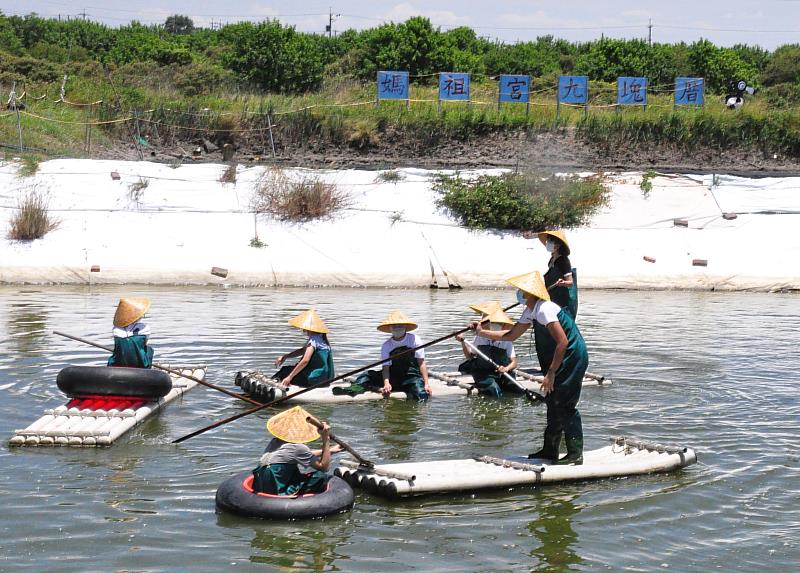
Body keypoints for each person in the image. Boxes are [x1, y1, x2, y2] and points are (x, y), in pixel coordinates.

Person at [475, 271, 588, 465]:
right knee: (553, 402)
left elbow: (562, 342)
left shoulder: (544, 309)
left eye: (523, 291)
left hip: (572, 356)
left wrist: (551, 373)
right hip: (561, 357)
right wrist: (481, 331)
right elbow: (511, 335)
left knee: (565, 404)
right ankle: (549, 450)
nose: (520, 293)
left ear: (532, 293)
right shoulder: (530, 310)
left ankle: (576, 454)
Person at [332, 310, 431, 401]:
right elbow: (386, 368)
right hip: (393, 376)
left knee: (420, 393)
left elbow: (421, 363)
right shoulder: (386, 346)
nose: (397, 328)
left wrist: (426, 384)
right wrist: (386, 383)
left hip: (411, 377)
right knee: (367, 375)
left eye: (400, 326)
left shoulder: (414, 340)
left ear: (405, 327)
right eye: (394, 326)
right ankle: (353, 390)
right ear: (390, 328)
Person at [252, 406, 342, 495]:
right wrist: (326, 439)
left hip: (261, 485)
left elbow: (305, 454)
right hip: (277, 490)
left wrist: (331, 451)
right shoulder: (298, 447)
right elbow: (324, 467)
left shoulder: (275, 441)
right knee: (320, 476)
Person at [456, 303, 519, 398]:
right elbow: (470, 356)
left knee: (515, 388)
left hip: (503, 371)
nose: (495, 325)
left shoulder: (506, 338)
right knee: (494, 389)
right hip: (484, 372)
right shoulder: (480, 338)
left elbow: (514, 362)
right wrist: (462, 342)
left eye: (498, 323)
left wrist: (506, 368)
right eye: (492, 323)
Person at [273, 309, 335, 388]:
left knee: (285, 371)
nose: (303, 330)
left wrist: (289, 377)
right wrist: (285, 356)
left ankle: (272, 387)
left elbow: (305, 360)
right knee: (287, 370)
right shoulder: (321, 339)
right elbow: (302, 351)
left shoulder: (314, 340)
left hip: (314, 378)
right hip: (323, 377)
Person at [538, 230, 578, 319]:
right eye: (548, 240)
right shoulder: (552, 258)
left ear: (558, 245)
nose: (548, 243)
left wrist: (563, 282)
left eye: (550, 241)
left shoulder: (563, 260)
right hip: (553, 296)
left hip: (562, 300)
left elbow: (570, 282)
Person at [107, 297, 154, 368]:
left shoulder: (115, 329)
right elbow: (145, 343)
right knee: (149, 349)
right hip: (139, 364)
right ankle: (146, 367)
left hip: (118, 363)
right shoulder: (144, 328)